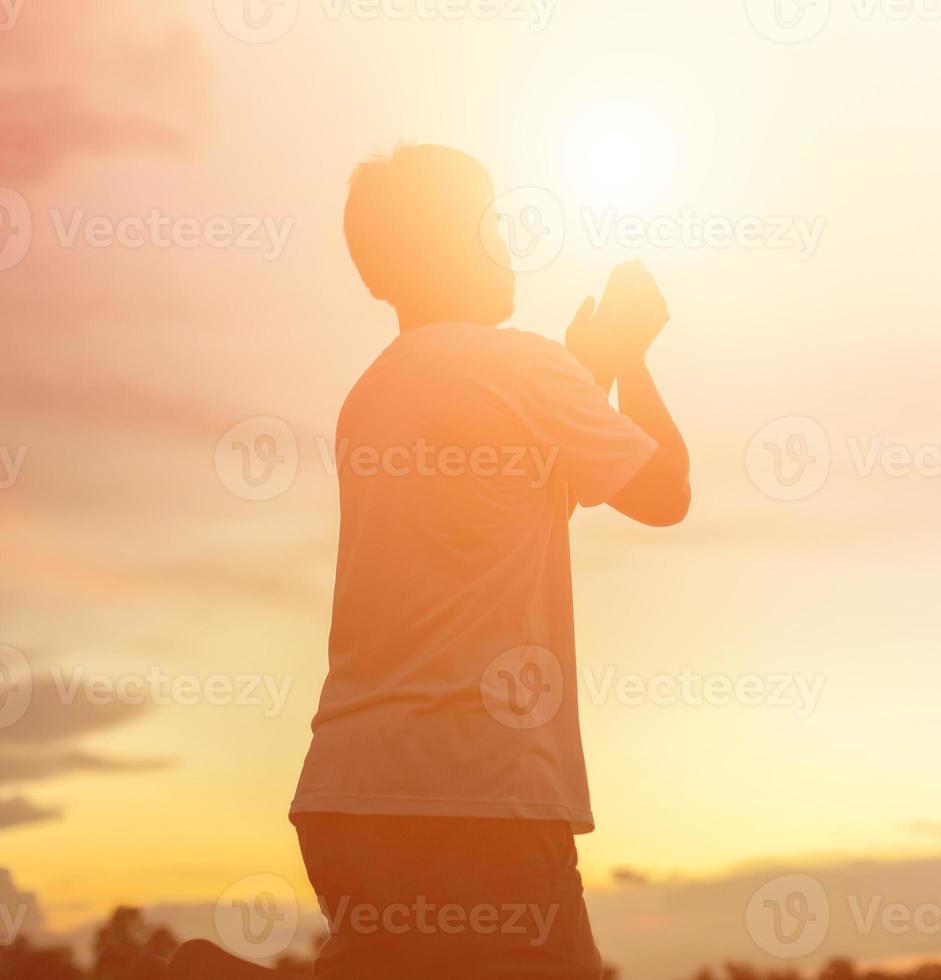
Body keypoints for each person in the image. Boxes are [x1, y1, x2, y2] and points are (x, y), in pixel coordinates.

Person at [289, 143, 691, 979]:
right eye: (488, 224)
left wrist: (592, 370)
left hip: (346, 797)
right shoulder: (523, 365)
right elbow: (664, 492)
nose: (505, 239)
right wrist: (635, 355)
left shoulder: (372, 394)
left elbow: (518, 496)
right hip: (477, 792)